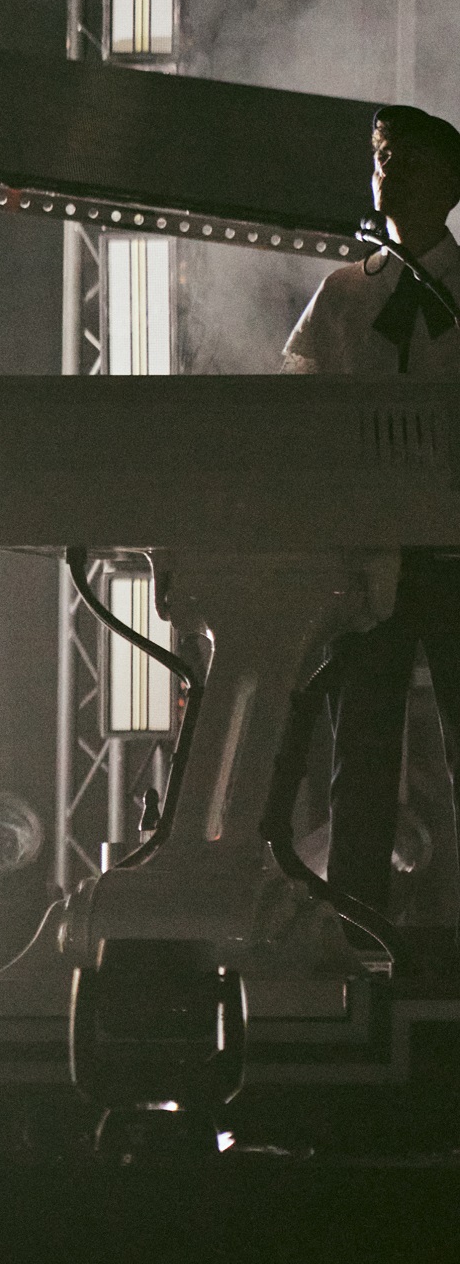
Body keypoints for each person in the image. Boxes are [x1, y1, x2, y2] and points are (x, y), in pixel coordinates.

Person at [281, 102, 460, 927]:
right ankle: (356, 929)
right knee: (362, 747)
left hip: (454, 549)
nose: (387, 173)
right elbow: (303, 415)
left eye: (407, 161)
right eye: (381, 158)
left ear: (449, 185)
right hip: (371, 553)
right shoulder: (342, 293)